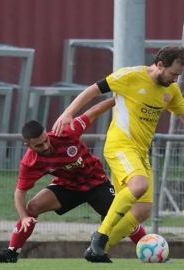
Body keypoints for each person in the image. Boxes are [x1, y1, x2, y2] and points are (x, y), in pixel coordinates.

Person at [52, 46, 184, 261]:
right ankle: (101, 235)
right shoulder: (131, 76)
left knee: (142, 211)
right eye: (173, 74)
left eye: (179, 76)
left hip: (140, 153)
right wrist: (68, 113)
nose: (176, 79)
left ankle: (98, 251)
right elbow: (93, 89)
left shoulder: (172, 91)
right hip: (120, 145)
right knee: (139, 185)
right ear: (160, 65)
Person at [0, 98, 148, 264]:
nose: (46, 146)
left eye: (45, 140)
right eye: (39, 146)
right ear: (28, 145)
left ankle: (149, 250)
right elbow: (19, 193)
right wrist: (24, 217)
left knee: (121, 215)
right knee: (33, 206)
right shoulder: (30, 162)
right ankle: (11, 253)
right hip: (68, 186)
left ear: (47, 133)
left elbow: (93, 111)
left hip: (95, 181)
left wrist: (120, 98)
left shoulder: (64, 131)